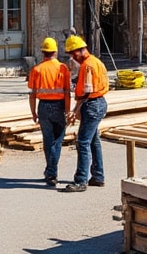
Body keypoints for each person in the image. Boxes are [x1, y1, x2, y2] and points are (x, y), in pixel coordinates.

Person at [61, 35, 107, 193]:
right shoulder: (96, 61)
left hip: (92, 104)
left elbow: (87, 92)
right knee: (93, 140)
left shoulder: (87, 66)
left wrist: (75, 109)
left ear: (81, 50)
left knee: (82, 142)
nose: (73, 58)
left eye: (74, 54)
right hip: (99, 102)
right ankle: (98, 176)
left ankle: (81, 180)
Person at [27, 37, 71, 187]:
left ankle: (51, 171)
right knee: (57, 140)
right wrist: (67, 110)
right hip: (58, 106)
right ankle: (52, 171)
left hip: (43, 106)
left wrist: (33, 112)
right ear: (55, 52)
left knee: (48, 140)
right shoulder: (63, 68)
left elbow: (32, 94)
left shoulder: (37, 70)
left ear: (43, 52)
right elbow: (67, 93)